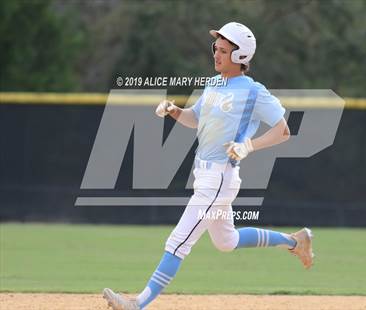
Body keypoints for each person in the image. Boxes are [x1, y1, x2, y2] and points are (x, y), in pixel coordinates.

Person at [103, 22, 314, 310]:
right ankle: (295, 241)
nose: (216, 53)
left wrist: (248, 146)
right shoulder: (214, 84)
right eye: (216, 48)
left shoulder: (254, 91)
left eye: (224, 50)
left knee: (179, 241)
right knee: (226, 241)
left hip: (220, 178)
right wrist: (174, 111)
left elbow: (283, 131)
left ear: (240, 57)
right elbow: (196, 119)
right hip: (205, 176)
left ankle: (138, 303)